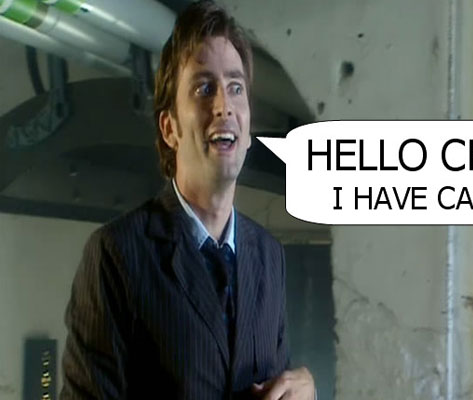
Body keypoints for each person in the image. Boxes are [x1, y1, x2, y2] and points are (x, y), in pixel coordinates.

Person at [60, 1, 315, 399]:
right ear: (169, 128)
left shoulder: (269, 255)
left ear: (249, 128)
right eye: (203, 88)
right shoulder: (116, 255)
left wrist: (305, 391)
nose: (224, 105)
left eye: (235, 88)